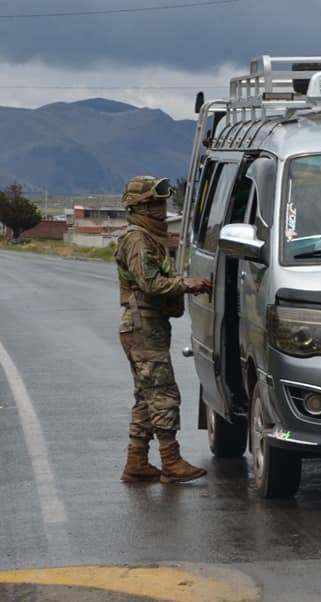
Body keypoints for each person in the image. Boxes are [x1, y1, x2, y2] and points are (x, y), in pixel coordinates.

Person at [116, 176, 212, 483]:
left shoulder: (148, 237)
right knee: (163, 395)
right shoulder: (137, 239)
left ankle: (137, 462)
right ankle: (171, 461)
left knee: (146, 397)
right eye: (156, 203)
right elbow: (150, 283)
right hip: (143, 324)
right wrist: (189, 284)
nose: (162, 208)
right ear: (141, 206)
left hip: (149, 324)